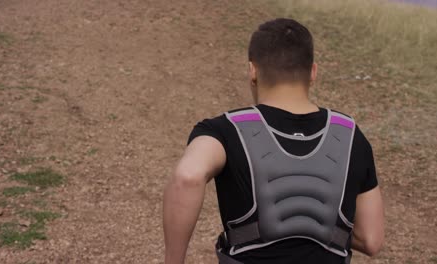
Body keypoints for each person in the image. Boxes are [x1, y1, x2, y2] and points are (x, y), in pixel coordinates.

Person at [163, 18, 384, 264]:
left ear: (253, 71)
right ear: (313, 72)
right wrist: (312, 225)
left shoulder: (225, 130)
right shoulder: (351, 136)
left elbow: (188, 176)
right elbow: (371, 239)